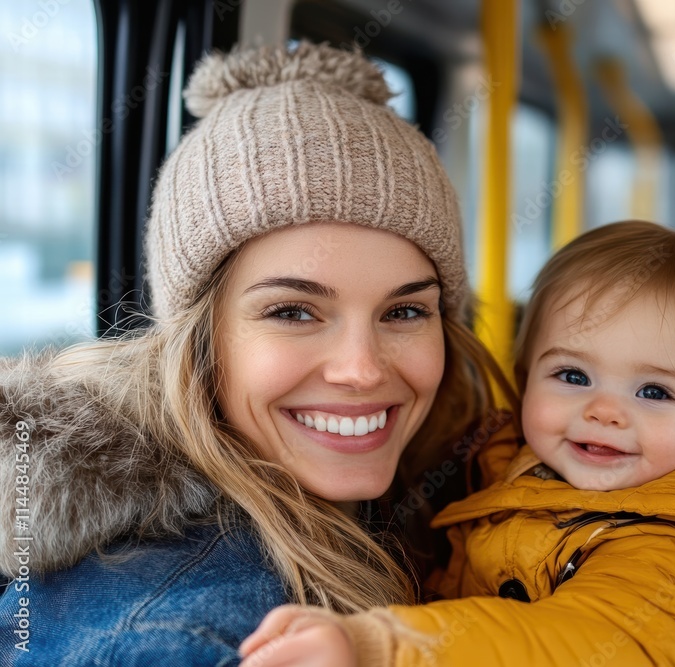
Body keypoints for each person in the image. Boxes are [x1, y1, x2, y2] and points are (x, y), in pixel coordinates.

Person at [0, 42, 508, 665]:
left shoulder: (444, 502)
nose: (362, 369)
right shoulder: (177, 636)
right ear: (200, 340)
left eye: (404, 312)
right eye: (293, 312)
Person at [239, 221, 675, 667]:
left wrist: (380, 648)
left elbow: (592, 645)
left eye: (654, 392)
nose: (604, 411)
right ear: (525, 377)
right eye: (572, 376)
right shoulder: (506, 466)